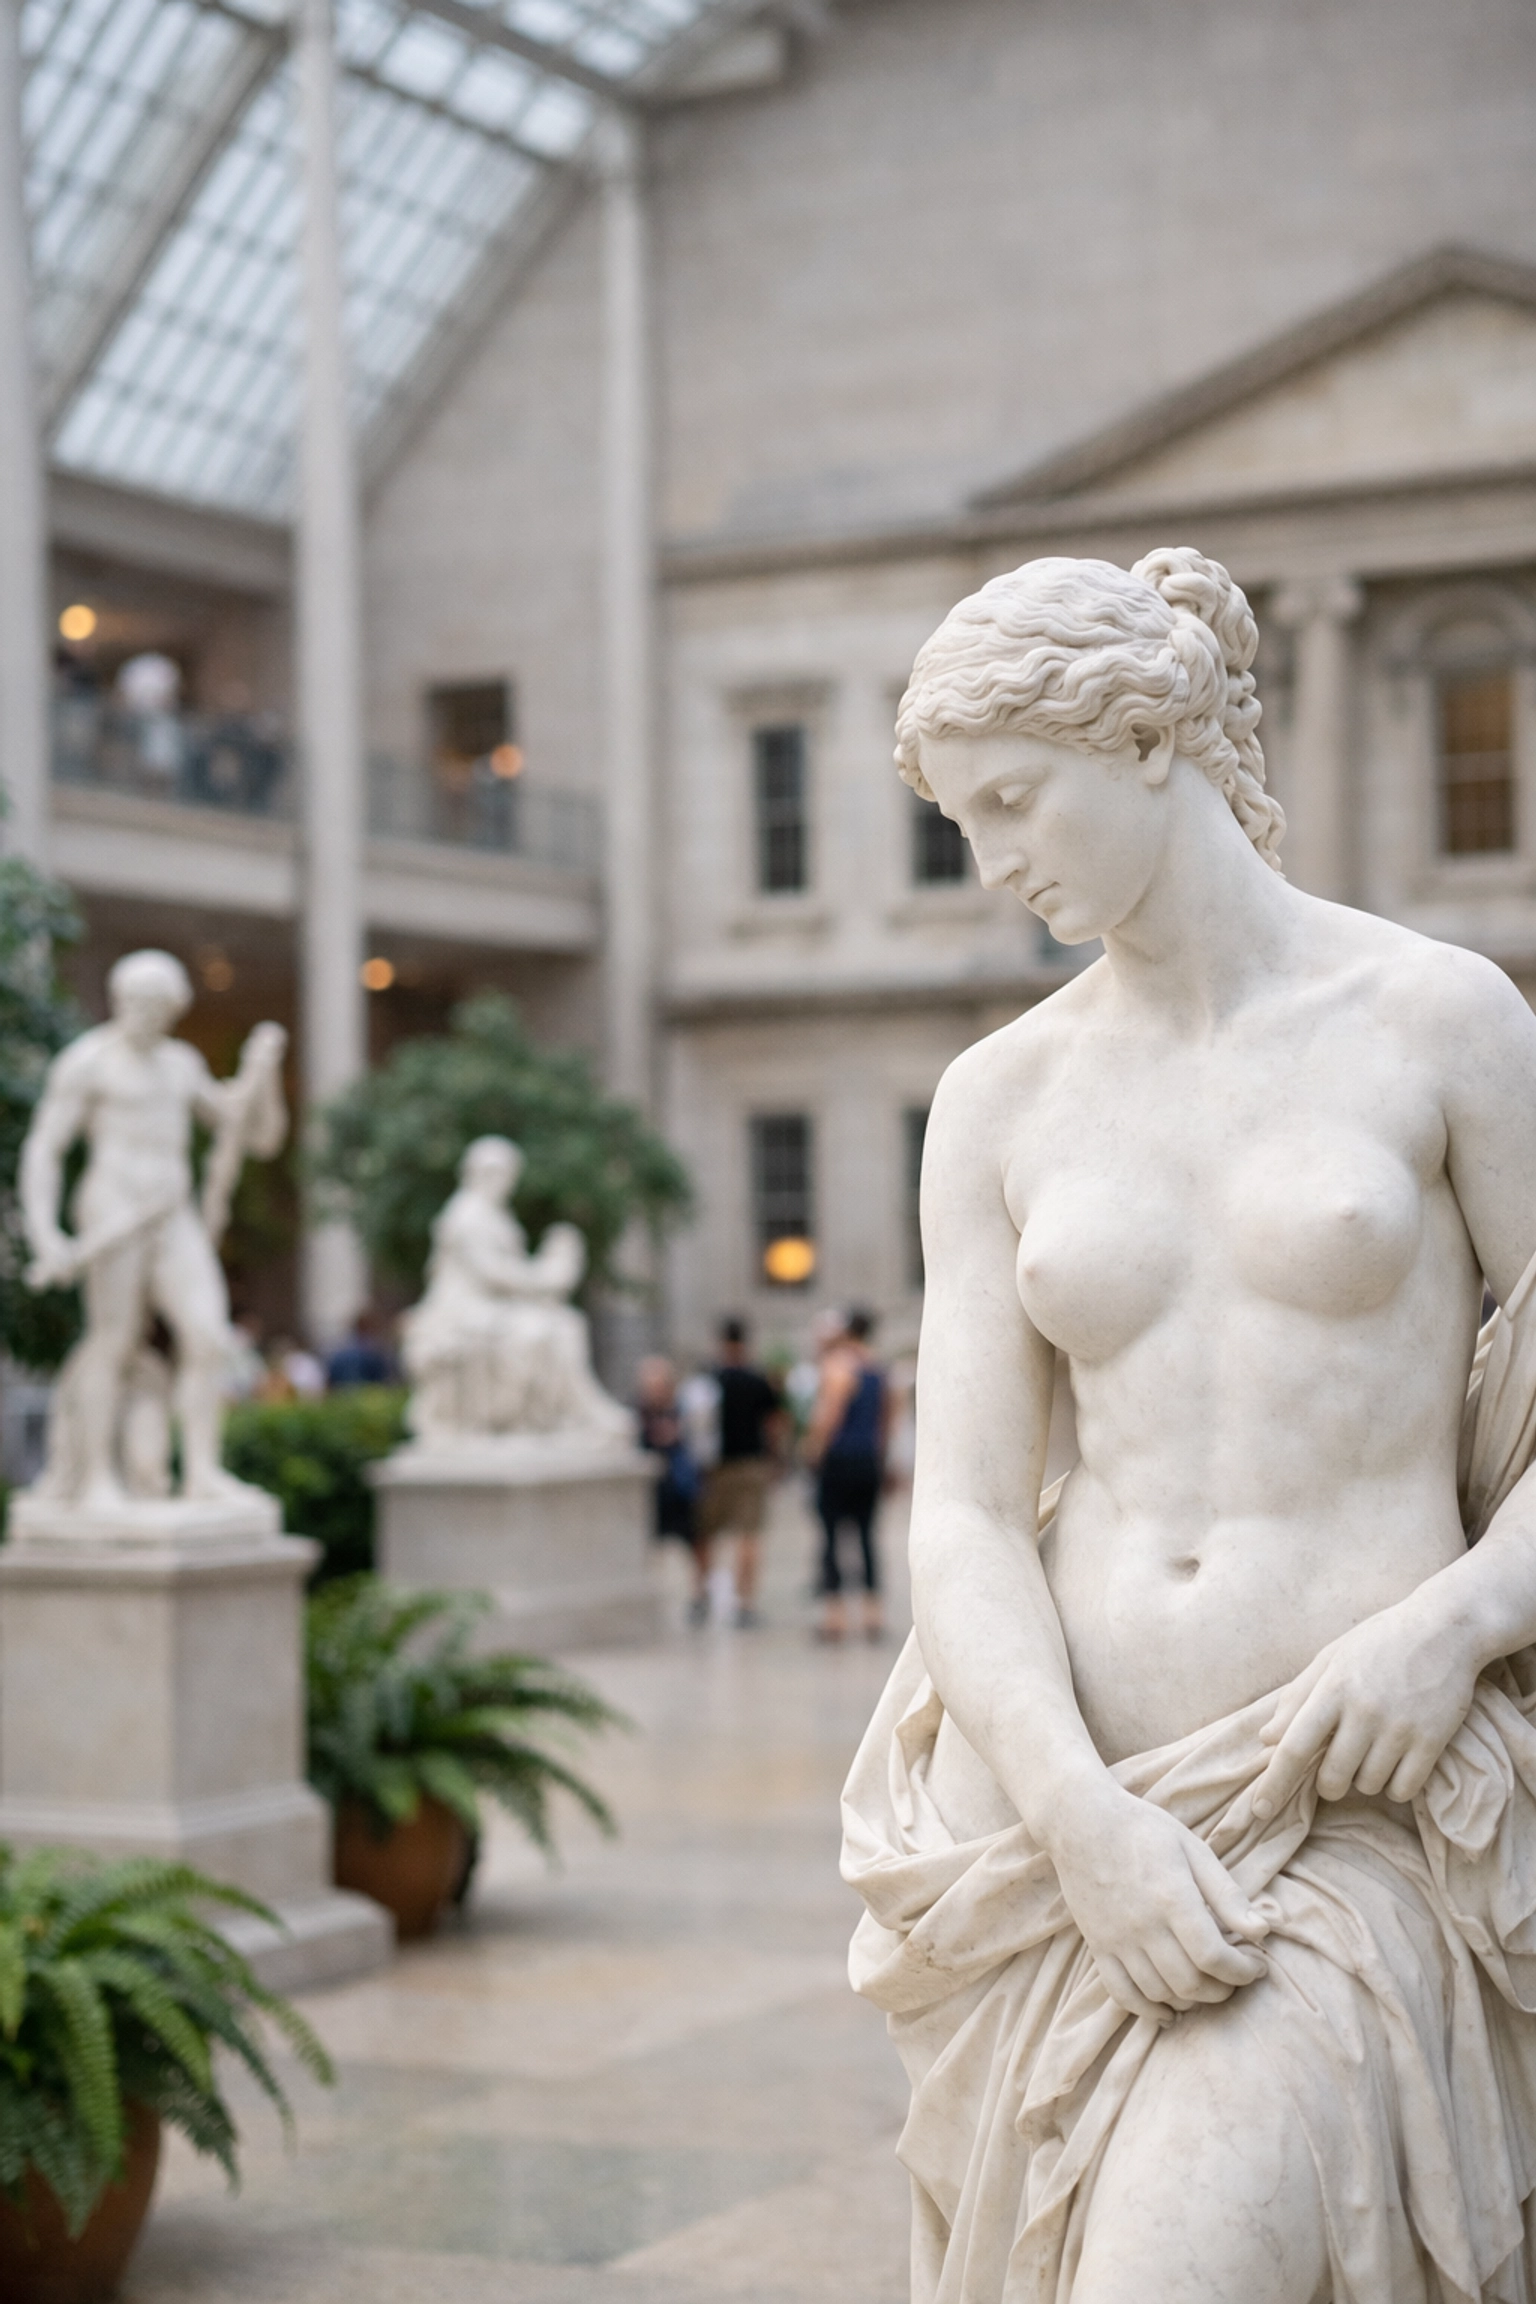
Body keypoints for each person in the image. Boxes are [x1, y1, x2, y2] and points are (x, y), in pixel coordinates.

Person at [841, 547, 1536, 2304]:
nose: (994, 864)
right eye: (964, 823)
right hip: (1051, 1822)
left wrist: (1455, 1625)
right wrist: (1079, 1818)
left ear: (1149, 738)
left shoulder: (1439, 1018)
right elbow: (966, 1514)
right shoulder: (998, 1094)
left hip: (1338, 1799)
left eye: (1014, 802)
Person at [20, 949, 286, 1507]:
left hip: (171, 1211)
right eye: (135, 1002)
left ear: (173, 1009)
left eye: (157, 1005)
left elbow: (254, 1133)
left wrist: (263, 1077)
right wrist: (45, 1234)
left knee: (207, 1337)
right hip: (112, 1211)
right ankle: (96, 1478)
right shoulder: (89, 1061)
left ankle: (202, 1473)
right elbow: (44, 1149)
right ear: (118, 1000)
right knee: (113, 1340)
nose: (144, 1014)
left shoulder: (180, 1063)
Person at [805, 1308, 888, 1642]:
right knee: (866, 1535)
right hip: (868, 1459)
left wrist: (813, 1448)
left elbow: (830, 1414)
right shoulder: (878, 1368)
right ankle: (872, 1613)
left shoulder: (838, 1365)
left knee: (831, 1536)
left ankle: (835, 1616)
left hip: (839, 1459)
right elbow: (886, 1421)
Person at [698, 1317, 786, 1628]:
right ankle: (744, 1601)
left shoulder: (709, 1380)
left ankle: (702, 1593)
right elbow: (774, 1424)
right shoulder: (757, 1380)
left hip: (712, 1467)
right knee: (748, 1534)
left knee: (705, 1532)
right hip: (750, 1463)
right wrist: (776, 1460)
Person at [634, 1354, 704, 1606]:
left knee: (693, 1541)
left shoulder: (683, 1410)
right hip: (651, 1491)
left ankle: (700, 1592)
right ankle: (650, 1591)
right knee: (650, 1544)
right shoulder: (637, 1414)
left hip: (680, 1487)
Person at [326, 1308, 397, 1389]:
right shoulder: (373, 1350)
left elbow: (331, 1378)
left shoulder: (340, 1349)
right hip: (367, 1391)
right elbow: (382, 1379)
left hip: (342, 1391)